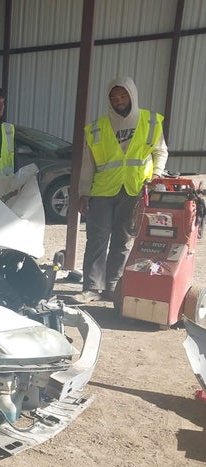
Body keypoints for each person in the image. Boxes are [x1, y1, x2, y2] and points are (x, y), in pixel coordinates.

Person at [75, 76, 168, 303]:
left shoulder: (151, 121)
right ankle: (91, 288)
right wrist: (83, 192)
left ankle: (113, 285)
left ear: (132, 95)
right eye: (114, 97)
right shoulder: (97, 128)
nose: (119, 100)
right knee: (97, 239)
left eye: (123, 95)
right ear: (109, 100)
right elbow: (88, 163)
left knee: (123, 239)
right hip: (102, 191)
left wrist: (157, 174)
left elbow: (160, 151)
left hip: (134, 189)